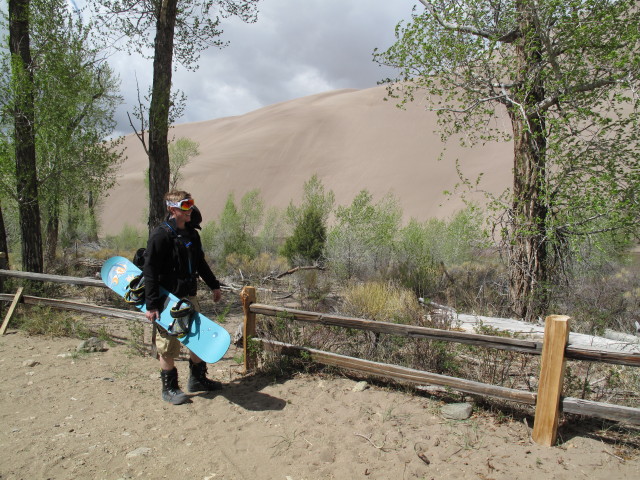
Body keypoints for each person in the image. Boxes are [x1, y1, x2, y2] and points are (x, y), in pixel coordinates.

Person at [143, 190, 223, 405]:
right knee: (168, 344)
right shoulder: (160, 235)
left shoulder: (191, 234)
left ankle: (197, 379)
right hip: (167, 299)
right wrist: (152, 305)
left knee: (197, 338)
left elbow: (200, 263)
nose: (190, 210)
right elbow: (149, 270)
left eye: (191, 205)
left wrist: (214, 285)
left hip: (189, 295)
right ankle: (169, 388)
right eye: (185, 206)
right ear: (172, 209)